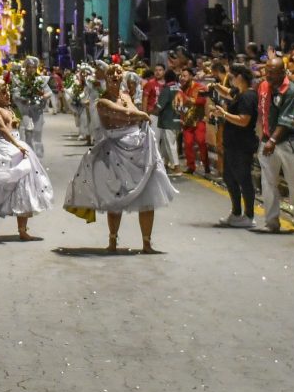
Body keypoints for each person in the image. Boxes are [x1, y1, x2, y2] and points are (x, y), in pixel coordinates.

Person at [64, 64, 178, 252]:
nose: (115, 75)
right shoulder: (102, 101)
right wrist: (139, 114)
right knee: (115, 197)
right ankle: (112, 242)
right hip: (115, 150)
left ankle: (147, 244)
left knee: (147, 195)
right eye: (111, 73)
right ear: (106, 78)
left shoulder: (126, 96)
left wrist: (138, 116)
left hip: (137, 148)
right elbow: (125, 113)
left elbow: (132, 114)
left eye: (118, 73)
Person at [0, 78, 54, 241]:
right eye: (3, 92)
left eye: (7, 91)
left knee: (23, 186)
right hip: (1, 146)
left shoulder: (8, 107)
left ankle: (22, 230)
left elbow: (13, 126)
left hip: (14, 143)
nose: (7, 95)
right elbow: (0, 128)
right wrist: (17, 144)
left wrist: (18, 143)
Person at [254, 58, 294, 232]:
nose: (268, 75)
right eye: (267, 71)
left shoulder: (290, 91)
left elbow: (286, 120)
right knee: (268, 182)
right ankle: (271, 221)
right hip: (267, 141)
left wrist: (273, 140)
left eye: (273, 72)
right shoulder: (262, 86)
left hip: (287, 142)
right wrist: (262, 137)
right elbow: (261, 113)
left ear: (282, 72)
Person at [212, 66, 258, 228]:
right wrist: (216, 87)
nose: (230, 80)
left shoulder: (248, 96)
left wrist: (224, 114)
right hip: (232, 143)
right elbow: (228, 93)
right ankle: (236, 212)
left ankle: (249, 215)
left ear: (240, 77)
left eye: (232, 77)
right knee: (229, 178)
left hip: (242, 144)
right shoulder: (239, 93)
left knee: (243, 178)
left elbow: (244, 120)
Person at [175, 67, 209, 174]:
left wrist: (187, 99)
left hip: (199, 119)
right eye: (181, 76)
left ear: (191, 76)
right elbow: (177, 104)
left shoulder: (200, 87)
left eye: (185, 76)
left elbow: (202, 101)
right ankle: (191, 166)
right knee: (188, 144)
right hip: (186, 121)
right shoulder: (180, 89)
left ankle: (206, 165)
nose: (182, 78)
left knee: (201, 142)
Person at [153, 70, 182, 172]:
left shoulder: (166, 89)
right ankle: (164, 163)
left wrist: (151, 112)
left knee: (170, 144)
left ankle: (177, 167)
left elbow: (160, 106)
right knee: (167, 144)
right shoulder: (179, 88)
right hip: (177, 119)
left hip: (167, 120)